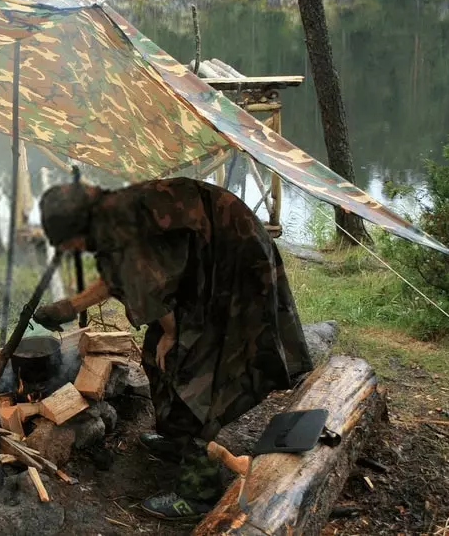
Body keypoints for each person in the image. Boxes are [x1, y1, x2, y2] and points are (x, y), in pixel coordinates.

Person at [33, 177, 314, 520]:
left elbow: (146, 283)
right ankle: (175, 441)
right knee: (158, 354)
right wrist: (69, 307)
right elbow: (122, 275)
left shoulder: (118, 223)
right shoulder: (112, 213)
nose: (72, 248)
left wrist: (172, 332)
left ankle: (198, 492)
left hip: (233, 268)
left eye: (69, 241)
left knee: (186, 366)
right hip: (207, 267)